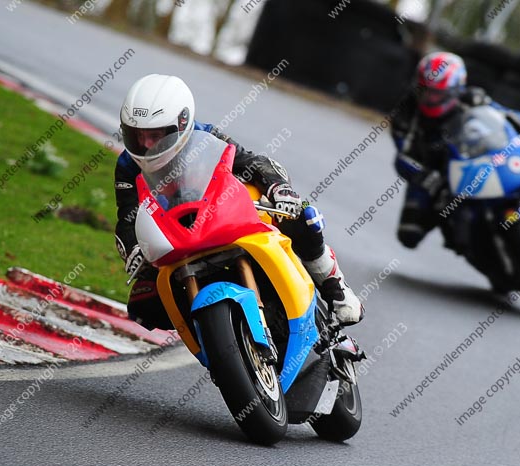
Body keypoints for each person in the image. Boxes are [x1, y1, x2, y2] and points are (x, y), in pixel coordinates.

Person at [114, 74, 363, 330]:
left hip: (221, 214)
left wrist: (279, 187)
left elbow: (251, 163)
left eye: (155, 135)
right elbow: (128, 216)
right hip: (177, 237)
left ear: (182, 124)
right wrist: (134, 248)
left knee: (300, 214)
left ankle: (335, 287)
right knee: (143, 305)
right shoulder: (126, 165)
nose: (145, 145)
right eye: (137, 136)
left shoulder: (205, 136)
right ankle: (211, 335)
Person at [390, 51, 520, 249]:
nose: (430, 98)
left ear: (455, 89)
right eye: (425, 91)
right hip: (431, 169)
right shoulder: (406, 113)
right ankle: (455, 233)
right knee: (409, 234)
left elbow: (505, 117)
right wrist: (425, 176)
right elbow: (403, 154)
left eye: (437, 93)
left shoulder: (472, 98)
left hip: (470, 158)